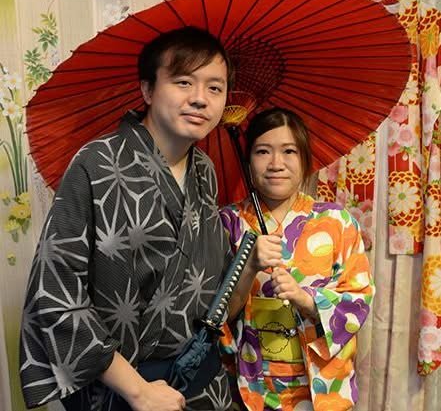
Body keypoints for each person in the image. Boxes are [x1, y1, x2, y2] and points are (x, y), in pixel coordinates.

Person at [20, 26, 236, 411]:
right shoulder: (96, 163)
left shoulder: (205, 170)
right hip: (123, 390)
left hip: (200, 387)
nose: (200, 98)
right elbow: (55, 291)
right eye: (184, 82)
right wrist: (139, 391)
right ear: (148, 90)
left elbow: (205, 284)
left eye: (215, 87)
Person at [220, 107, 375, 411]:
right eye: (263, 151)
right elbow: (217, 314)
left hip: (319, 385)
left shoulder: (337, 222)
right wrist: (249, 267)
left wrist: (305, 299)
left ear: (305, 159)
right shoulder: (228, 223)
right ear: (248, 161)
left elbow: (358, 299)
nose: (276, 163)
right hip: (251, 384)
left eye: (289, 151)